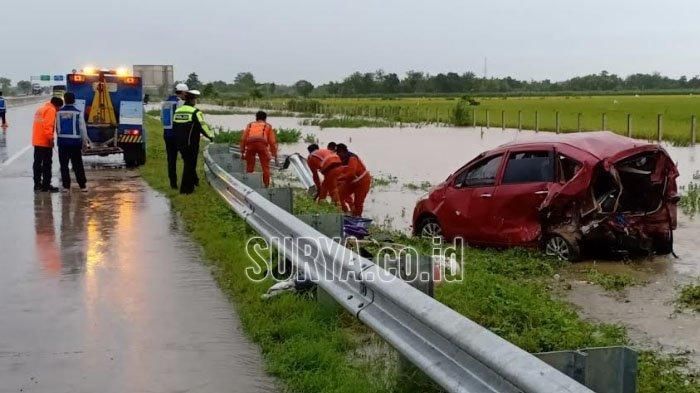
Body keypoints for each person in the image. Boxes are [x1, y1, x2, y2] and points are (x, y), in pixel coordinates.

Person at [173, 90, 214, 194]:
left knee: (188, 164)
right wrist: (211, 137)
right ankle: (186, 190)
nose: (195, 101)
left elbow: (175, 127)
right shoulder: (195, 112)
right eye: (195, 99)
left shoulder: (178, 111)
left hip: (179, 143)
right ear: (192, 100)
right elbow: (203, 127)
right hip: (191, 144)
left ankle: (189, 188)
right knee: (190, 165)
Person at [56, 92, 89, 192]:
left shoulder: (58, 113)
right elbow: (82, 129)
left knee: (64, 165)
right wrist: (85, 143)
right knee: (77, 165)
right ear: (74, 100)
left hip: (62, 143)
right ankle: (82, 186)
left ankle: (66, 186)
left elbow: (57, 128)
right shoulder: (78, 113)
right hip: (75, 143)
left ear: (64, 100)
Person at [32, 97, 63, 192]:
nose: (58, 110)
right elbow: (48, 126)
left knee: (37, 163)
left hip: (37, 140)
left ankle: (37, 185)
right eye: (59, 108)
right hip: (45, 141)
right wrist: (51, 139)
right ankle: (46, 185)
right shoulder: (51, 110)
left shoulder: (41, 109)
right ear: (56, 105)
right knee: (47, 164)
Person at [161, 83, 189, 189]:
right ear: (182, 92)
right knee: (187, 159)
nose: (186, 95)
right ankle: (190, 182)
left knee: (171, 160)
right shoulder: (181, 103)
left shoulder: (165, 103)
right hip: (178, 135)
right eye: (186, 93)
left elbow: (161, 118)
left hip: (167, 135)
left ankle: (173, 185)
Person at [240, 111, 277, 187]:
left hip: (250, 144)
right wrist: (274, 154)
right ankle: (266, 185)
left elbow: (243, 139)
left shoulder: (250, 125)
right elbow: (272, 142)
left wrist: (242, 151)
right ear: (265, 118)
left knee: (249, 165)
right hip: (262, 144)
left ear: (256, 118)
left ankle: (248, 184)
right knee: (265, 166)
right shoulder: (268, 126)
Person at [336, 144, 372, 217]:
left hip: (362, 181)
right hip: (351, 181)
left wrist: (339, 179)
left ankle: (357, 218)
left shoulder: (352, 158)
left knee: (358, 203)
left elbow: (351, 174)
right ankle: (344, 213)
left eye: (338, 153)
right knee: (338, 196)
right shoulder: (339, 159)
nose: (337, 155)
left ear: (342, 152)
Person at [307, 143, 345, 210]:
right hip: (339, 163)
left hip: (330, 167)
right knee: (325, 187)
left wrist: (318, 188)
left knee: (332, 188)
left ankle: (339, 210)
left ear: (309, 151)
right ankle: (320, 206)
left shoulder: (310, 158)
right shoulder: (323, 151)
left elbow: (315, 175)